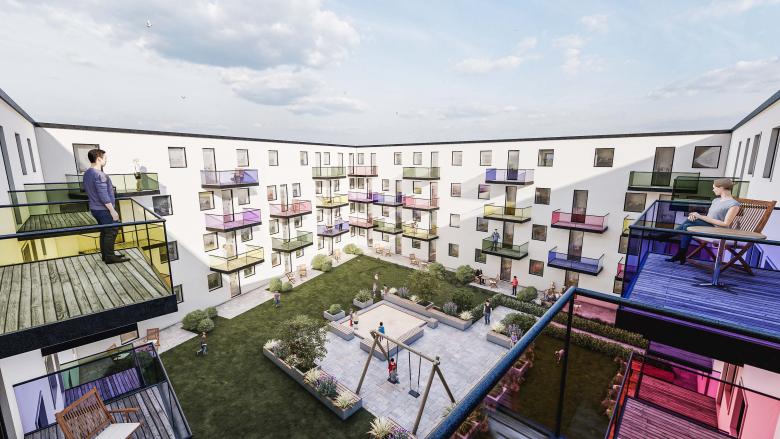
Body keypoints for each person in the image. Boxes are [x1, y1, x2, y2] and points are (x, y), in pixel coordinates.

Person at [666, 178, 741, 265]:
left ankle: (670, 237)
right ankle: (679, 253)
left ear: (721, 188)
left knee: (687, 225)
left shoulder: (734, 204)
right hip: (709, 226)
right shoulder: (716, 200)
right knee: (688, 223)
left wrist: (699, 216)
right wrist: (695, 216)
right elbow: (709, 218)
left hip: (719, 230)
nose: (713, 190)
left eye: (714, 188)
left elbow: (725, 224)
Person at [83, 149, 128, 264]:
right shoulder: (99, 174)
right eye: (105, 158)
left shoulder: (87, 173)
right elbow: (103, 195)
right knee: (112, 231)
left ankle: (106, 255)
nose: (106, 161)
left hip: (95, 209)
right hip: (104, 210)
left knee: (105, 232)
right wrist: (112, 211)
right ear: (99, 159)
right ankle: (110, 257)